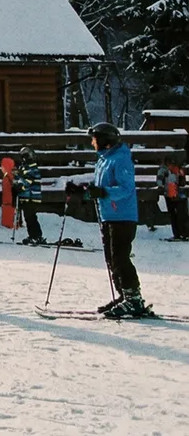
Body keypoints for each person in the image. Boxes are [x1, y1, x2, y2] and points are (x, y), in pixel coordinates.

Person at [74, 122, 151, 318]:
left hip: (123, 217)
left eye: (94, 139)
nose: (92, 143)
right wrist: (88, 190)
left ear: (106, 142)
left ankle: (134, 298)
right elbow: (103, 186)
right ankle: (124, 295)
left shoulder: (120, 160)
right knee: (111, 258)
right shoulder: (104, 160)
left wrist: (103, 192)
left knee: (120, 257)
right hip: (109, 216)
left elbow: (126, 189)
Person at [14, 148, 47, 244]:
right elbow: (21, 177)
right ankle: (33, 235)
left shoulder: (32, 167)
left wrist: (21, 185)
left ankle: (36, 236)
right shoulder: (24, 166)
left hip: (32, 196)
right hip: (26, 196)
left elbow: (29, 179)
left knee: (31, 216)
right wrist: (16, 181)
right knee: (28, 217)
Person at [159, 156, 189, 241]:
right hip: (177, 195)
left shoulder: (164, 170)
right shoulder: (174, 170)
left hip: (172, 195)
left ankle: (180, 233)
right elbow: (183, 183)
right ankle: (183, 233)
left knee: (176, 215)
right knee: (180, 215)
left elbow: (182, 182)